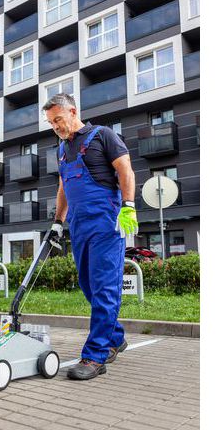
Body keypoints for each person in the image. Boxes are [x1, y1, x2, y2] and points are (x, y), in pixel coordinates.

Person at [44, 93, 139, 380]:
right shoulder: (62, 150)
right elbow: (63, 187)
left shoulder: (103, 135)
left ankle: (96, 355)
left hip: (106, 223)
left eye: (58, 119)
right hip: (79, 225)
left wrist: (129, 205)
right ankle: (115, 337)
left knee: (104, 288)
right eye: (51, 123)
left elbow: (125, 169)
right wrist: (58, 222)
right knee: (88, 285)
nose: (55, 126)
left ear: (73, 112)